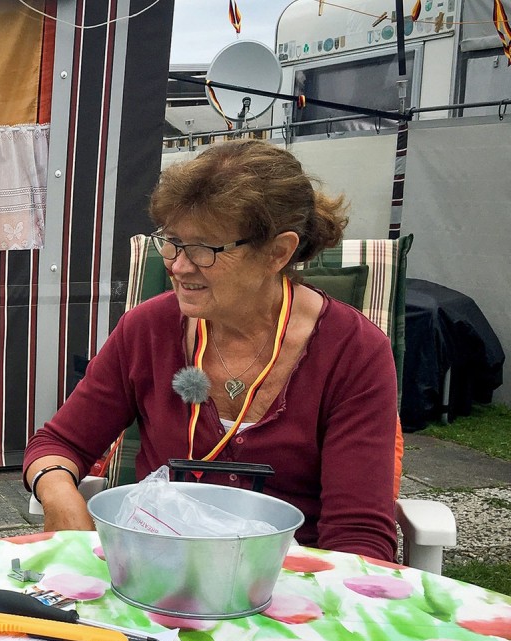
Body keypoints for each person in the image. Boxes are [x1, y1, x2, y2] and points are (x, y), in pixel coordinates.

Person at [24, 139, 398, 562]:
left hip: (288, 583)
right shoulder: (148, 329)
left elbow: (358, 537)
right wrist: (59, 494)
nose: (179, 266)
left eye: (205, 249)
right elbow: (57, 443)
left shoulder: (353, 350)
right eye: (173, 242)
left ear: (278, 252)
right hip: (154, 570)